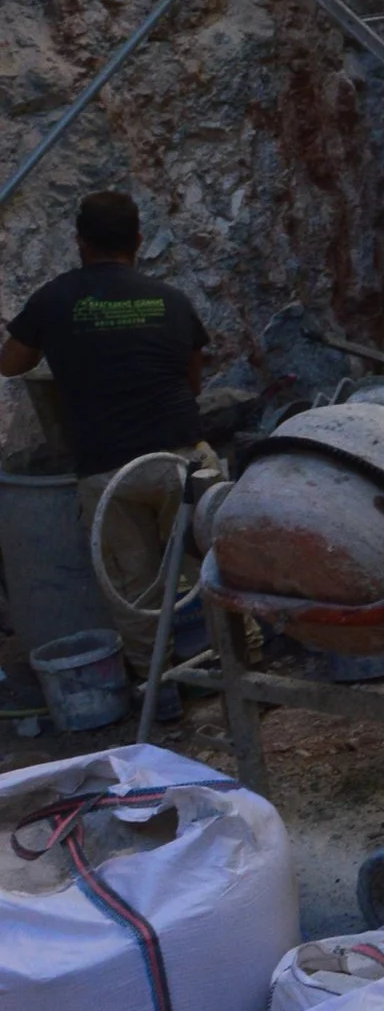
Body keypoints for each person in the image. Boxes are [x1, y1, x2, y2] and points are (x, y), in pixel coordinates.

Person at [2, 190, 219, 670]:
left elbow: (11, 364)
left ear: (80, 241)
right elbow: (192, 384)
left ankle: (156, 684)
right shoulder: (172, 300)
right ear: (138, 240)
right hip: (182, 461)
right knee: (214, 566)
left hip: (109, 473)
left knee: (134, 590)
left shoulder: (53, 299)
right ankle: (242, 664)